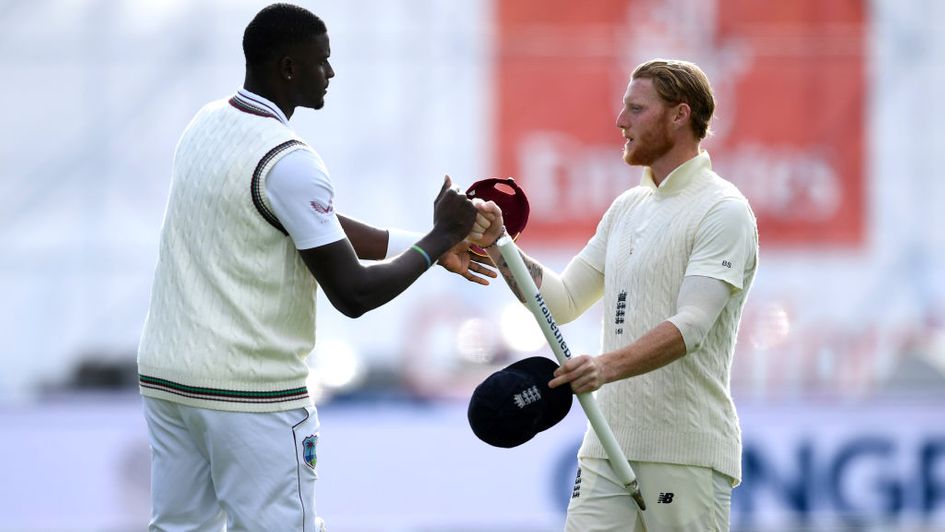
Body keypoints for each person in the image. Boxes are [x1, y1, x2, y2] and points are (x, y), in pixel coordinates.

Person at [137, 4, 498, 530]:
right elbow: (353, 295)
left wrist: (425, 244)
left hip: (169, 380)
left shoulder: (207, 121)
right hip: (251, 397)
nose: (331, 73)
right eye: (322, 62)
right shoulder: (290, 159)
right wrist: (440, 236)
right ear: (288, 68)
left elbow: (310, 226)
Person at [472, 59, 758, 531]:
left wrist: (604, 367)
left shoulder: (723, 209)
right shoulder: (627, 207)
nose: (620, 121)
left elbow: (692, 327)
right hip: (607, 445)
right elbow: (562, 300)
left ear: (679, 115)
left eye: (636, 108)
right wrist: (500, 245)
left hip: (685, 455)